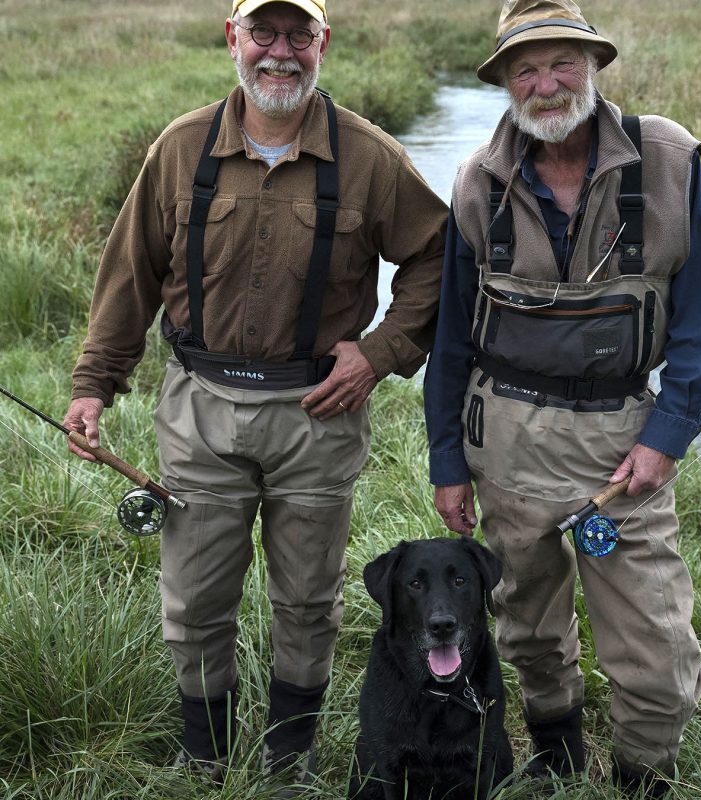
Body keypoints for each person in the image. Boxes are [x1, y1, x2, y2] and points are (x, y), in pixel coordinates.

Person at [64, 0, 447, 787]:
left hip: (319, 415)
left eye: (298, 36)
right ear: (232, 38)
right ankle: (205, 761)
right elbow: (130, 273)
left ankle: (289, 762)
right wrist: (94, 385)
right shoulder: (179, 148)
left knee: (309, 603)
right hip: (198, 408)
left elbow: (440, 257)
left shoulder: (370, 156)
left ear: (323, 44)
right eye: (263, 34)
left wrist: (378, 355)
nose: (281, 53)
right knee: (195, 601)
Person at [424, 0, 701, 796]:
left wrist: (668, 434)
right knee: (526, 626)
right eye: (526, 68)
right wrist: (446, 460)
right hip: (505, 442)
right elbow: (450, 343)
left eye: (564, 62)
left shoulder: (668, 160)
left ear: (593, 67)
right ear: (504, 84)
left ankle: (642, 778)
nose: (547, 83)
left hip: (624, 450)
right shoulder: (475, 184)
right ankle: (557, 757)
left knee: (656, 650)